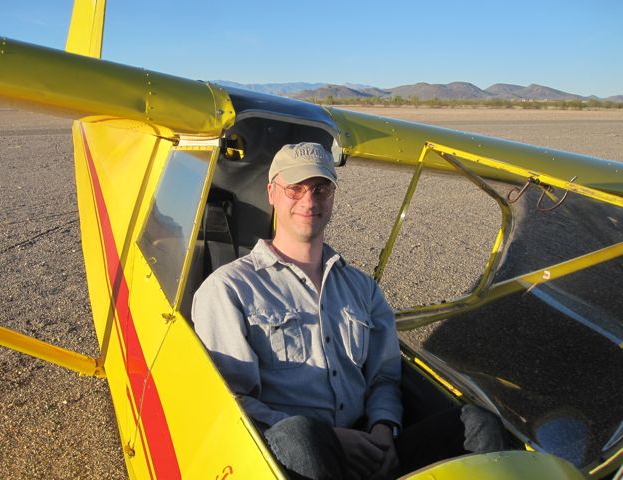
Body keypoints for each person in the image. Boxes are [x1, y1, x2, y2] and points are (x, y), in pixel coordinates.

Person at [192, 142, 505, 479]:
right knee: (301, 436)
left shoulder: (362, 288)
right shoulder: (228, 288)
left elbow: (384, 377)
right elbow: (231, 399)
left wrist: (383, 430)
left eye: (321, 188)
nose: (309, 201)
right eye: (295, 188)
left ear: (333, 195)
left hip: (367, 444)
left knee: (477, 423)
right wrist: (332, 440)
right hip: (282, 457)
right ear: (272, 193)